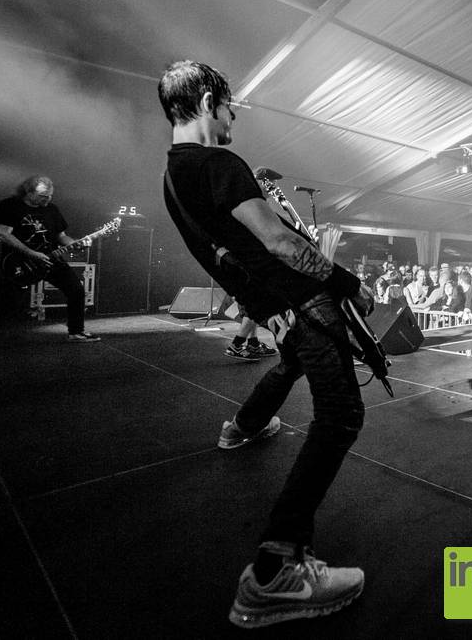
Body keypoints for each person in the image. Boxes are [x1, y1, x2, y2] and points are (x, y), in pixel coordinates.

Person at [158, 60, 367, 628]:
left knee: (291, 363)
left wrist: (264, 308)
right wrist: (348, 282)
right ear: (208, 102)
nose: (233, 119)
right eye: (230, 108)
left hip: (279, 306)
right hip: (304, 298)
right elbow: (278, 242)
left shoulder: (173, 177)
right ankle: (277, 570)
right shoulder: (219, 162)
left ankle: (244, 425)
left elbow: (220, 255)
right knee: (341, 415)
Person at [0, 175, 100, 347]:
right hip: (20, 262)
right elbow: (3, 234)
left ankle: (76, 332)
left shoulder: (52, 209)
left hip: (51, 259)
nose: (48, 199)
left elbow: (62, 236)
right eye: (43, 196)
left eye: (50, 195)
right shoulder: (10, 205)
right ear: (28, 192)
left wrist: (77, 243)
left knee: (76, 290)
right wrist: (32, 254)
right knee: (5, 302)